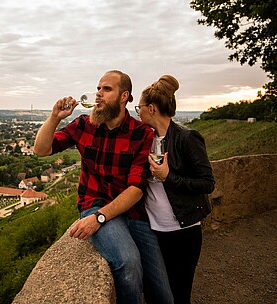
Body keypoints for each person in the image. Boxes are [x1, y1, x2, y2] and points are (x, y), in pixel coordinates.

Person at [34, 70, 173, 304]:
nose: (98, 94)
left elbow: (136, 189)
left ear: (123, 96)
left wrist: (98, 219)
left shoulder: (141, 133)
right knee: (128, 263)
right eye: (98, 88)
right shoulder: (83, 125)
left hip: (132, 213)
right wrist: (54, 118)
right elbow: (41, 149)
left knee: (162, 292)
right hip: (94, 204)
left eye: (106, 89)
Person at [135, 75, 215, 304]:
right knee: (154, 293)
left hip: (183, 232)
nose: (137, 112)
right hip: (153, 231)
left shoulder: (187, 138)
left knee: (179, 293)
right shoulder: (145, 139)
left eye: (138, 107)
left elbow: (208, 183)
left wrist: (169, 177)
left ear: (151, 108)